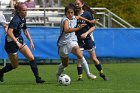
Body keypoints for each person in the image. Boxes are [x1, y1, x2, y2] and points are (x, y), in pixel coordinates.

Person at [0, 2, 45, 83]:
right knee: (15, 65)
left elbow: (25, 30)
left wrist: (31, 40)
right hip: (11, 43)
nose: (25, 12)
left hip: (19, 40)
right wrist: (17, 42)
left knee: (31, 58)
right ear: (19, 11)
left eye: (26, 10)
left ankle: (38, 78)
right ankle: (0, 72)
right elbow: (9, 32)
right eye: (24, 10)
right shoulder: (16, 20)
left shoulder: (23, 18)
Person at [56, 5, 97, 80]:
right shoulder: (65, 20)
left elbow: (79, 17)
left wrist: (89, 21)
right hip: (63, 44)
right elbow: (66, 30)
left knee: (80, 56)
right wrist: (78, 28)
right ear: (65, 13)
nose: (70, 14)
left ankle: (88, 74)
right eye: (68, 12)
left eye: (72, 12)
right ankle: (58, 74)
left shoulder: (74, 17)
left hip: (72, 42)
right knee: (65, 64)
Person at [74, 0, 108, 81]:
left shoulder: (87, 14)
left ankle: (101, 73)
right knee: (79, 58)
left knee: (93, 58)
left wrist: (86, 33)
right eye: (75, 4)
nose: (76, 5)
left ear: (82, 4)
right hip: (78, 39)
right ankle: (80, 77)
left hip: (87, 39)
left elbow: (93, 26)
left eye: (78, 3)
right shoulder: (73, 14)